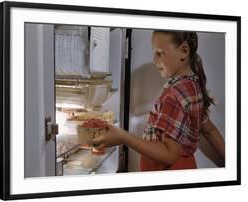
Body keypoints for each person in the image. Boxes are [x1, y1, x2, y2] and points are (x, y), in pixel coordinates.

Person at [91, 31, 225, 171]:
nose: (154, 60)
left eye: (159, 53)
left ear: (184, 51)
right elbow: (209, 129)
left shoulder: (174, 95)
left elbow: (168, 155)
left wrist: (123, 137)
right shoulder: (191, 86)